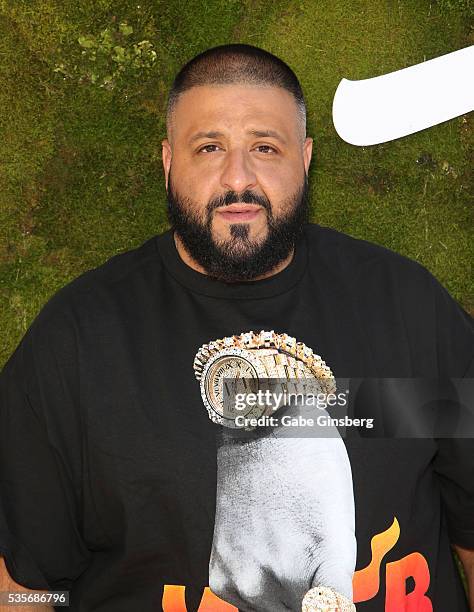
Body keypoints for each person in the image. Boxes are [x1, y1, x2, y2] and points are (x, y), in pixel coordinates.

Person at [0, 43, 473, 612]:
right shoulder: (80, 341)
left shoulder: (405, 307)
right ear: (169, 162)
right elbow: (22, 587)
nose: (238, 178)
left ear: (305, 158)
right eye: (209, 147)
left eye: (265, 147)